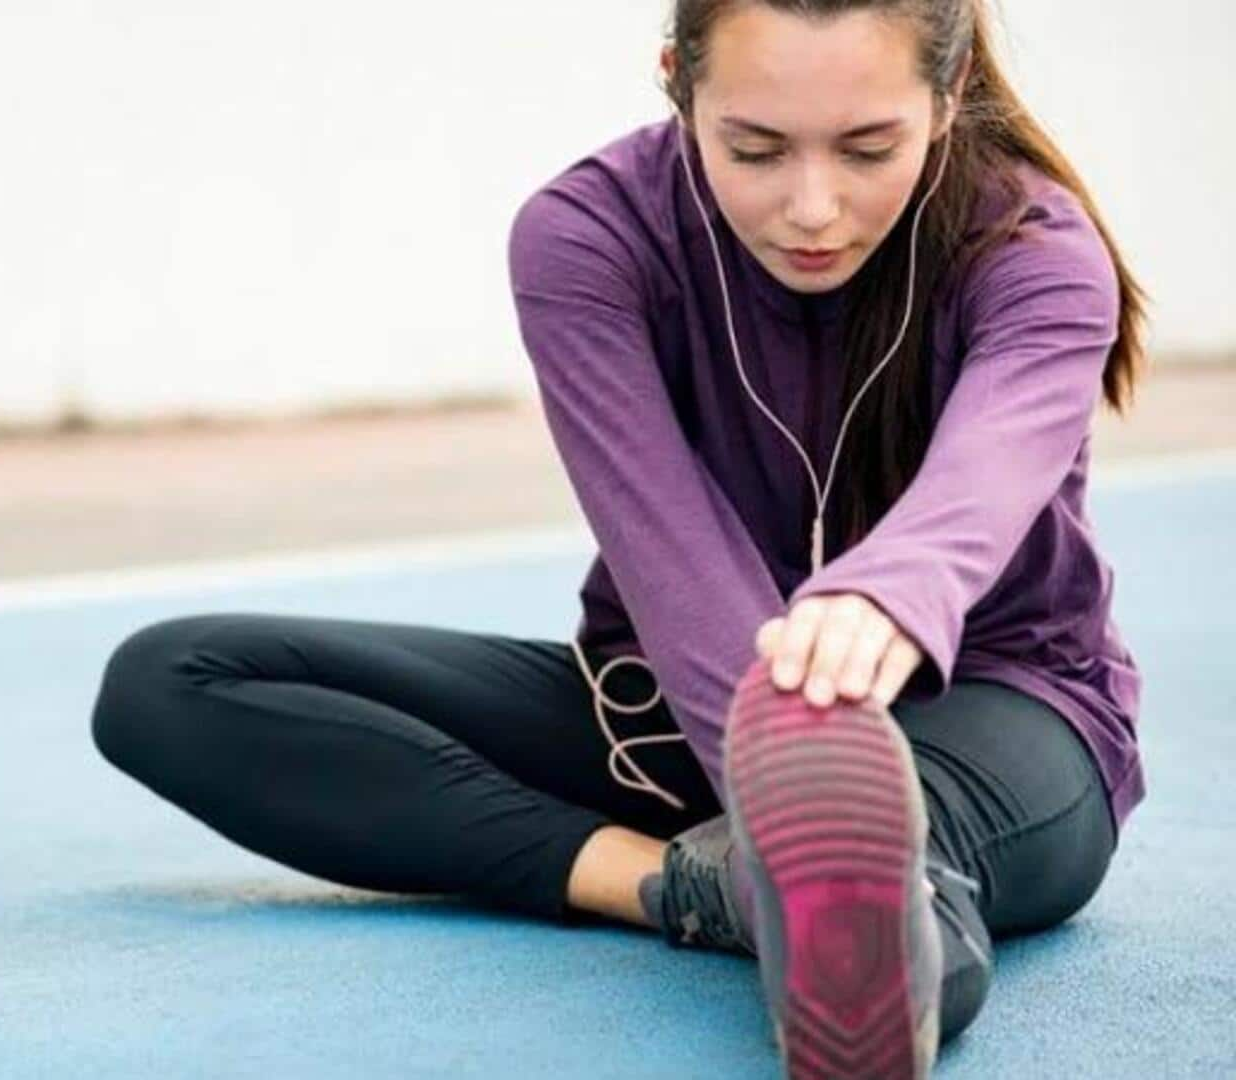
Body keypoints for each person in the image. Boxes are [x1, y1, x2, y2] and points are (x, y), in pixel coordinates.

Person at [90, 1, 1149, 1076]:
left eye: (869, 148)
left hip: (996, 713)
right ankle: (676, 884)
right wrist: (776, 770)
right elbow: (668, 557)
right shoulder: (588, 237)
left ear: (948, 93)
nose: (813, 207)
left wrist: (888, 596)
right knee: (171, 682)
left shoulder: (1035, 254)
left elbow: (983, 476)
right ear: (676, 85)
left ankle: (838, 903)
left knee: (879, 897)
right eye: (755, 148)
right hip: (679, 711)